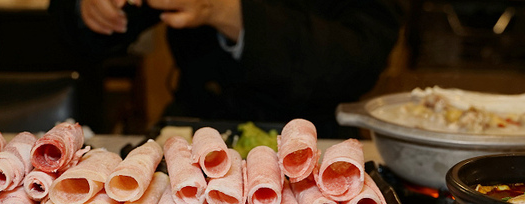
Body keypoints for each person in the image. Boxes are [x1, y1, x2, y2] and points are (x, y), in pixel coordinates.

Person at [49, 0, 406, 136]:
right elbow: (74, 36)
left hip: (314, 132)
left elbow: (361, 57)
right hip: (196, 124)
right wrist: (87, 8)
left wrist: (227, 12)